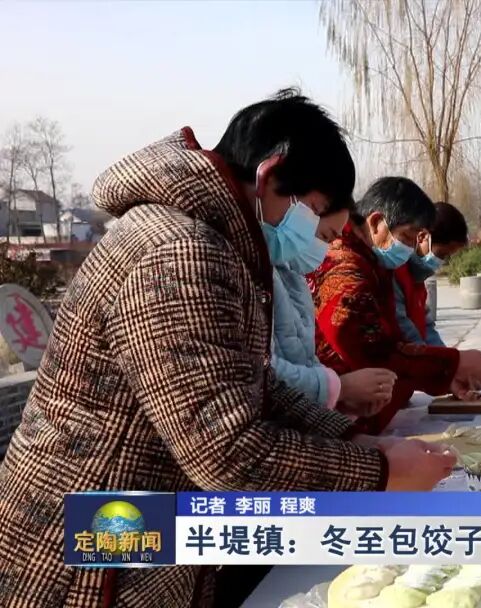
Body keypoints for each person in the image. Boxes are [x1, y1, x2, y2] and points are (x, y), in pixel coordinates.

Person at [0, 90, 456, 608]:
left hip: (133, 528)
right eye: (314, 212)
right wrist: (377, 473)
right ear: (270, 174)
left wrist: (355, 440)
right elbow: (227, 450)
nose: (316, 237)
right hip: (92, 548)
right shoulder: (179, 251)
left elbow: (250, 383)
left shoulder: (211, 242)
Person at [311, 177, 481, 433]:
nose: (408, 250)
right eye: (406, 237)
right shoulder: (344, 265)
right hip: (334, 420)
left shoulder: (374, 263)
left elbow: (395, 337)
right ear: (376, 223)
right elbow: (369, 348)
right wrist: (455, 364)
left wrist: (447, 375)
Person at [271, 206, 398, 415]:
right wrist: (340, 388)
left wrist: (340, 402)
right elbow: (260, 373)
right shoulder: (342, 264)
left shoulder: (294, 275)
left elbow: (306, 358)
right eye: (325, 237)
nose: (327, 249)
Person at [394, 201, 469, 347]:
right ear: (422, 237)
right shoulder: (396, 274)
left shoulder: (416, 278)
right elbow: (403, 327)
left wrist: (446, 356)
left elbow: (426, 325)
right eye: (442, 254)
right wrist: (433, 358)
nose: (441, 261)